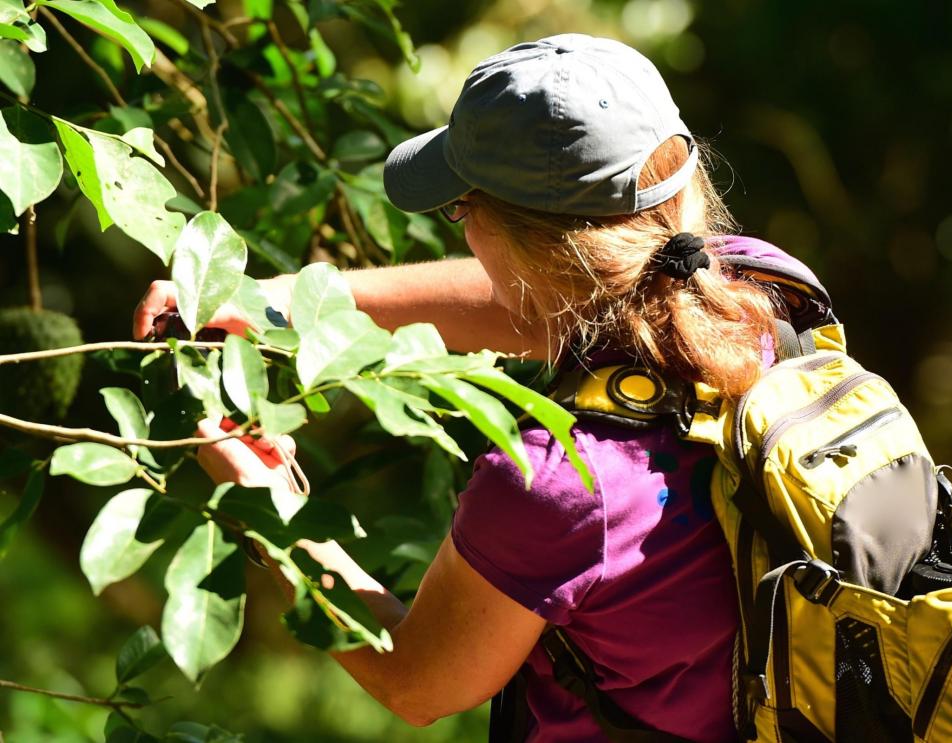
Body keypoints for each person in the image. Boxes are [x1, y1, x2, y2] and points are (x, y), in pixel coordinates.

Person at [133, 34, 785, 743]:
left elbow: (415, 680)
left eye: (462, 211)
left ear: (530, 250)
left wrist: (271, 506)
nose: (463, 231)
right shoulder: (758, 295)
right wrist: (281, 302)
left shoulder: (562, 484)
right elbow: (539, 300)